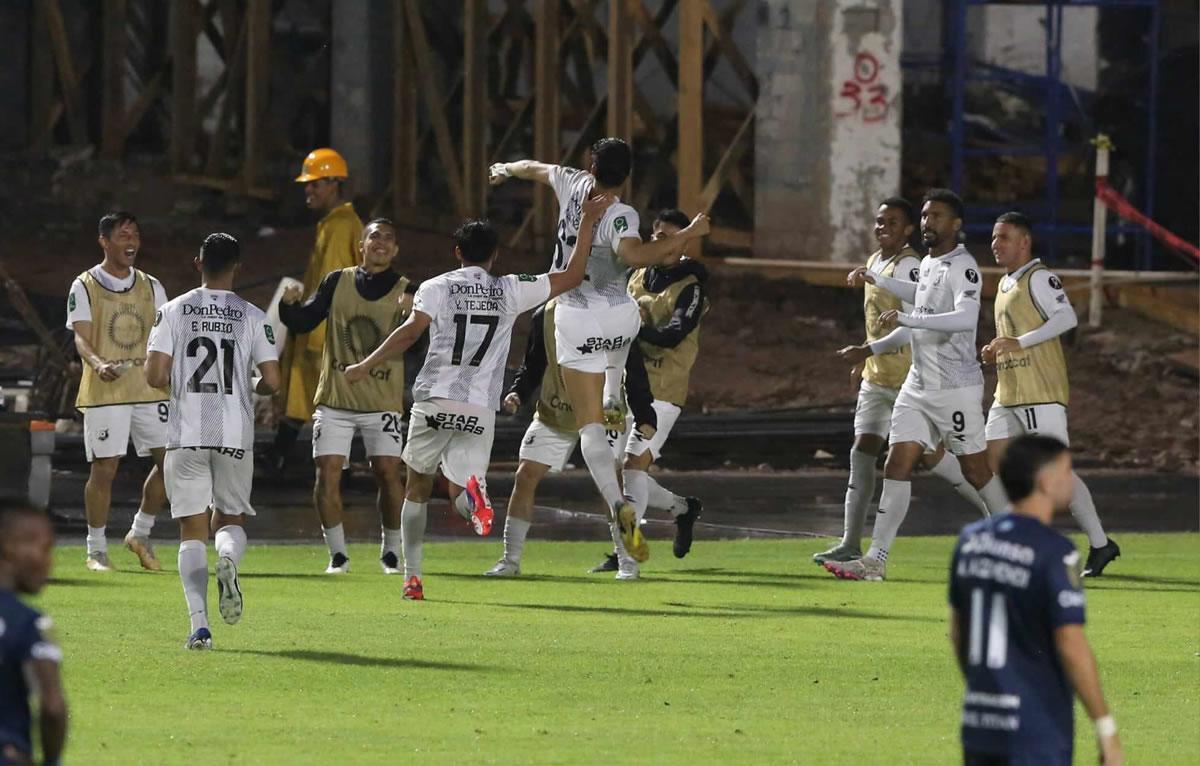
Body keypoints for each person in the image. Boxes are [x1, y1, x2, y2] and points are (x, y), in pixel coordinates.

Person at [345, 197, 611, 600]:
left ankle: (412, 578)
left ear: (457, 253)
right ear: (495, 255)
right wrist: (588, 223)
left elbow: (411, 333)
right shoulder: (510, 288)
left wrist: (366, 363)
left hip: (435, 400)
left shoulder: (435, 287)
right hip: (479, 407)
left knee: (417, 487)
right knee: (460, 487)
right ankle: (473, 496)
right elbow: (572, 275)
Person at [488, 138, 710, 563]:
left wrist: (504, 167)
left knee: (590, 427)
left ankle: (618, 503)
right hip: (619, 312)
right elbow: (636, 254)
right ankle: (616, 401)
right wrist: (690, 234)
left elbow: (536, 166)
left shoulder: (571, 183)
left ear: (590, 165)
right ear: (628, 176)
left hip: (575, 310)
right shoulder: (621, 214)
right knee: (619, 373)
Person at [825, 189, 1008, 581]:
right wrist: (876, 279)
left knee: (976, 470)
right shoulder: (927, 263)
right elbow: (918, 296)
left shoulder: (964, 267)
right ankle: (876, 560)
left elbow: (963, 318)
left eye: (936, 216)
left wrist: (912, 321)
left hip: (954, 387)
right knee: (897, 462)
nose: (928, 222)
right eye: (925, 216)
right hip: (918, 384)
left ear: (955, 225)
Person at [949, 435, 1124, 766]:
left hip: (980, 723)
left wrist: (984, 688)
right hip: (1036, 726)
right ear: (1045, 482)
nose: (1071, 479)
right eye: (1066, 471)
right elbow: (1070, 642)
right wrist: (1105, 726)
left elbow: (959, 631)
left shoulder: (971, 542)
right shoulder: (1053, 551)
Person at [145, 233, 281, 649]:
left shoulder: (173, 311)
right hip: (234, 432)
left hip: (186, 433)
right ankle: (227, 559)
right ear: (237, 266)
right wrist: (247, 382)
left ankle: (199, 627)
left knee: (191, 529)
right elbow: (273, 382)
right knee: (231, 519)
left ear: (197, 262)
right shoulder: (254, 316)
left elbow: (153, 376)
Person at [981, 212, 1119, 577]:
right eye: (994, 238)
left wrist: (1018, 342)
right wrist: (998, 347)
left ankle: (1100, 543)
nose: (996, 244)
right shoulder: (1005, 283)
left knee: (1057, 475)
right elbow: (1013, 336)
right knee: (987, 463)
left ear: (1024, 241)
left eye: (1004, 238)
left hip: (1040, 393)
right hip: (1008, 392)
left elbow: (1066, 318)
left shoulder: (1039, 277)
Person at [278, 218, 418, 575]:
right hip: (336, 399)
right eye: (375, 237)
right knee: (326, 472)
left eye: (389, 238)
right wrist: (287, 307)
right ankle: (337, 555)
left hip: (381, 401)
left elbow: (418, 346)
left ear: (397, 249)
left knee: (388, 472)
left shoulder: (407, 290)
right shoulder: (337, 281)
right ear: (362, 245)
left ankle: (390, 551)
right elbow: (304, 320)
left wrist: (411, 315)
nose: (381, 243)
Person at [485, 298, 658, 580]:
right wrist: (518, 391)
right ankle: (510, 560)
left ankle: (628, 561)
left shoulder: (614, 312)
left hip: (605, 413)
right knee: (525, 475)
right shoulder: (546, 313)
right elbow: (534, 361)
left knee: (611, 485)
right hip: (557, 411)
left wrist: (645, 414)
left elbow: (633, 366)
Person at [589, 208, 708, 577]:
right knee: (618, 468)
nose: (660, 242)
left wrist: (633, 328)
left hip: (664, 391)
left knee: (633, 464)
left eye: (668, 236)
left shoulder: (691, 286)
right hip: (626, 386)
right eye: (655, 236)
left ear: (684, 240)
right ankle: (681, 508)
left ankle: (625, 553)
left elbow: (673, 334)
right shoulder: (637, 276)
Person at [67, 211, 170, 572]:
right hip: (106, 389)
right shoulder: (84, 285)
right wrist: (98, 363)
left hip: (148, 387)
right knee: (105, 468)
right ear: (104, 241)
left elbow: (165, 335)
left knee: (172, 462)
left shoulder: (152, 285)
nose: (131, 242)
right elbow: (80, 335)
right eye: (123, 235)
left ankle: (140, 532)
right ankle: (96, 550)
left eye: (135, 235)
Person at [267, 148, 363, 471]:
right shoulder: (335, 223)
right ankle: (279, 455)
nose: (308, 190)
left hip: (324, 331)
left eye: (315, 184)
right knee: (302, 394)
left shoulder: (339, 226)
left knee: (322, 399)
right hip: (322, 327)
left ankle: (335, 471)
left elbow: (333, 284)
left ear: (335, 184)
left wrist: (310, 325)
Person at [0, 504, 67, 766]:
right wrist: (51, 761)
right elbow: (52, 708)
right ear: (9, 548)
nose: (50, 562)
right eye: (44, 549)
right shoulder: (29, 624)